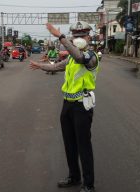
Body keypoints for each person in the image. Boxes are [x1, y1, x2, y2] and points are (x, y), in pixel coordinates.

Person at [30, 21, 100, 192]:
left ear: (89, 37)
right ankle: (74, 177)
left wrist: (60, 36)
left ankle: (89, 184)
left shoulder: (91, 57)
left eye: (81, 35)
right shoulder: (70, 57)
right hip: (67, 105)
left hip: (82, 106)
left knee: (83, 145)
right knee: (69, 144)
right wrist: (40, 66)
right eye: (75, 36)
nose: (78, 39)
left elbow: (79, 57)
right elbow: (56, 67)